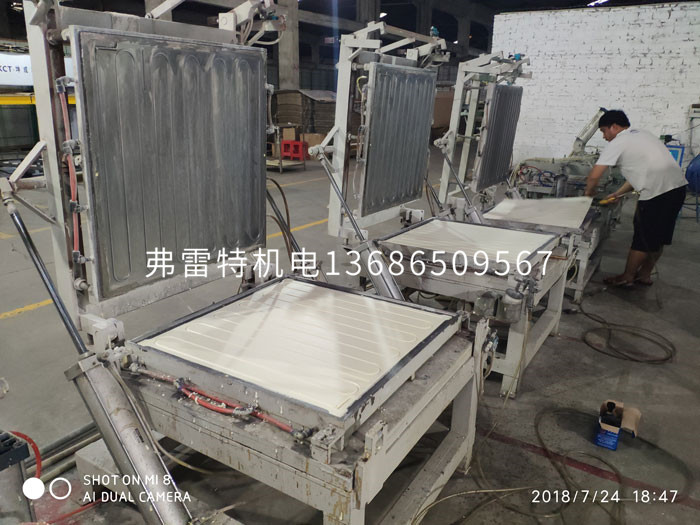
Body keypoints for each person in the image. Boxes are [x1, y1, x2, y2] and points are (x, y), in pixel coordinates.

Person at [584, 110, 687, 287]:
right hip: (677, 189)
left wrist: (587, 195)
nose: (604, 136)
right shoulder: (643, 134)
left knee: (642, 238)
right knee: (658, 237)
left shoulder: (619, 141)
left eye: (603, 131)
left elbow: (594, 175)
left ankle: (627, 277)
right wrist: (617, 194)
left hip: (656, 194)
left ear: (614, 127)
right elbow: (639, 173)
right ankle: (644, 275)